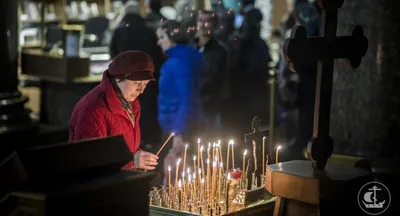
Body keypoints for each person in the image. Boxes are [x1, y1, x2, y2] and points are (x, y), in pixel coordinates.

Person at [69, 51, 159, 170]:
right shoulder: (94, 109)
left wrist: (137, 155)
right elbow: (89, 161)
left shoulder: (130, 101)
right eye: (136, 83)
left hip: (122, 181)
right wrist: (132, 161)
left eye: (145, 84)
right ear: (119, 78)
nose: (141, 90)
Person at [109, 0, 164, 146]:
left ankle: (128, 140)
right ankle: (147, 139)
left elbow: (113, 54)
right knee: (146, 108)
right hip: (146, 77)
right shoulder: (148, 31)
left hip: (126, 78)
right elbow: (157, 54)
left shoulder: (119, 30)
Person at [155, 20, 203, 180]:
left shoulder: (178, 63)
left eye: (162, 37)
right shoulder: (181, 60)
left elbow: (187, 99)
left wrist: (178, 134)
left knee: (176, 176)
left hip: (177, 128)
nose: (158, 42)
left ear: (172, 38)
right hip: (176, 126)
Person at [193, 10, 227, 139]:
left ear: (214, 25)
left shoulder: (219, 51)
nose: (203, 25)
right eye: (201, 20)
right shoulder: (191, 47)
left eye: (207, 21)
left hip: (208, 108)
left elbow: (215, 80)